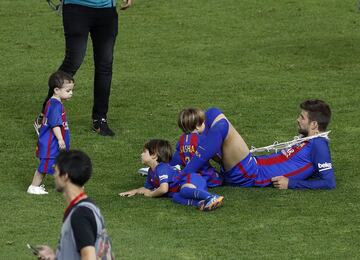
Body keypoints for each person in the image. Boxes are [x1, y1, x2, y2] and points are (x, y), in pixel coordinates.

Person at [182, 99, 336, 189]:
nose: (297, 119)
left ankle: (183, 175)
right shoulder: (308, 141)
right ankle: (195, 163)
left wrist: (291, 183)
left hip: (251, 173)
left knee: (221, 123)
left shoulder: (319, 145)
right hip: (251, 166)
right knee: (211, 114)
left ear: (314, 125)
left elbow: (329, 182)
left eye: (302, 117)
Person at [34, 0, 134, 137]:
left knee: (105, 65)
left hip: (106, 10)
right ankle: (44, 115)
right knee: (73, 62)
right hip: (77, 8)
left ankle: (100, 119)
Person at [36, 150, 114, 260]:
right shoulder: (89, 207)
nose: (54, 176)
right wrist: (56, 256)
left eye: (56, 171)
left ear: (65, 176)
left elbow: (89, 257)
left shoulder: (80, 214)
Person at [119, 139, 224, 211]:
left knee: (184, 191)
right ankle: (201, 203)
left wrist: (151, 194)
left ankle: (212, 197)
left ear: (154, 155)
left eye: (144, 152)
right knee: (176, 197)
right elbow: (147, 188)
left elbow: (163, 189)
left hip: (191, 179)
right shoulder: (152, 171)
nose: (141, 154)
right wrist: (136, 191)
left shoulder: (162, 168)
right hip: (184, 186)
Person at [27, 71, 74, 195]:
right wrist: (60, 139)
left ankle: (66, 185)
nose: (71, 93)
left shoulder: (53, 103)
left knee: (61, 164)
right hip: (51, 145)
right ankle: (33, 187)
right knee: (45, 166)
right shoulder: (55, 106)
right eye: (68, 91)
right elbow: (55, 125)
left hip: (52, 145)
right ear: (57, 90)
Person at [170, 108, 223, 188]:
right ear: (198, 126)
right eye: (203, 122)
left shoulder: (181, 140)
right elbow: (214, 155)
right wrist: (222, 161)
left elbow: (176, 159)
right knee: (221, 178)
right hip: (204, 174)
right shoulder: (202, 139)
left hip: (189, 176)